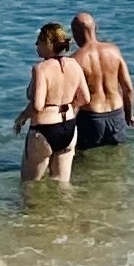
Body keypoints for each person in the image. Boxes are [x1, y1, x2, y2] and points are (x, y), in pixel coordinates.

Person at [17, 21, 88, 184]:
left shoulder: (41, 68)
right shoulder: (74, 64)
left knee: (30, 184)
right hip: (69, 127)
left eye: (38, 41)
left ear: (46, 43)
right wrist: (70, 108)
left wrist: (21, 118)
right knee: (62, 184)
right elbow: (85, 98)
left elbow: (38, 105)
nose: (36, 44)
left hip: (44, 130)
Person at [69, 10, 134, 154]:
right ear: (96, 28)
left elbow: (74, 99)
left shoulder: (75, 59)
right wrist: (129, 115)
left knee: (84, 159)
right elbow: (128, 88)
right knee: (119, 156)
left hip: (91, 118)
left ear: (75, 33)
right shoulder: (114, 51)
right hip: (116, 114)